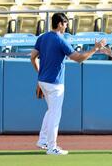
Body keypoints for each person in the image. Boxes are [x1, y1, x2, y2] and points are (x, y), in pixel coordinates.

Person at [30, 12, 106, 155]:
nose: (66, 26)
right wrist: (95, 49)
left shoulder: (42, 37)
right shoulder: (60, 40)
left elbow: (33, 57)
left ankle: (43, 140)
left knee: (50, 111)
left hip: (43, 81)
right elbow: (78, 59)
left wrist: (39, 76)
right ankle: (52, 147)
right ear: (60, 24)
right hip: (54, 84)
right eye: (65, 24)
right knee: (55, 113)